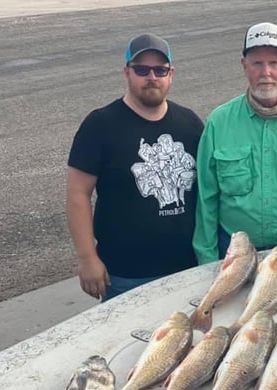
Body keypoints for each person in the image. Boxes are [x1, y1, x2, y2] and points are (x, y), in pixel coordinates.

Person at [66, 33, 204, 301]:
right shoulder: (100, 125)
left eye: (159, 70)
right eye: (141, 69)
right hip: (124, 276)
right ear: (127, 72)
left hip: (187, 269)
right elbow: (77, 194)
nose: (151, 76)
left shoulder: (189, 124)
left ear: (171, 74)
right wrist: (87, 258)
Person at [192, 22, 277, 264]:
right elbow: (206, 199)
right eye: (257, 63)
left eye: (275, 62)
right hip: (233, 251)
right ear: (244, 66)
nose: (266, 72)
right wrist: (207, 260)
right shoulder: (218, 122)